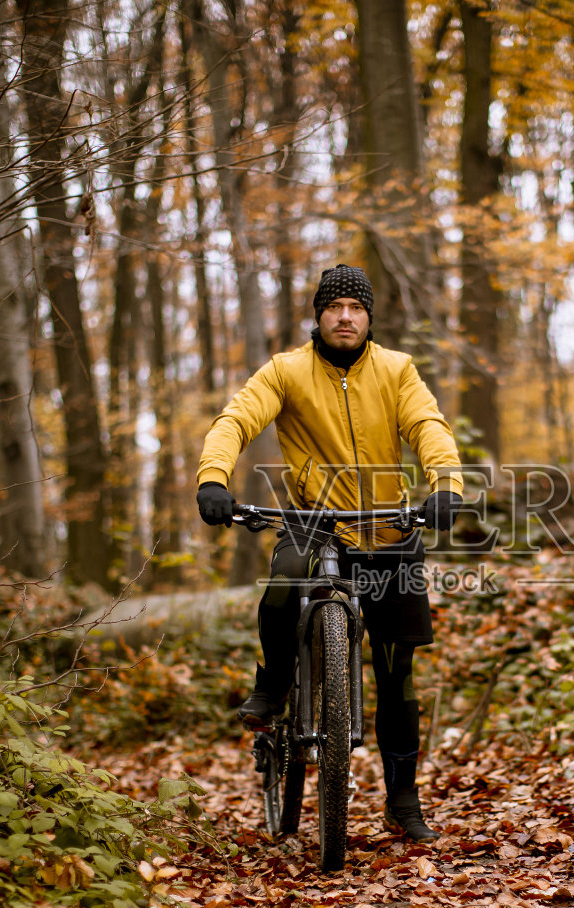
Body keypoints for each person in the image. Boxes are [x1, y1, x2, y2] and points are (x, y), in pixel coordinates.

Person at [194, 263, 463, 843]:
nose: (346, 316)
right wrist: (214, 477)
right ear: (318, 315)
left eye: (356, 308)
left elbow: (428, 426)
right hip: (314, 521)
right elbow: (235, 420)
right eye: (335, 306)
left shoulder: (397, 370)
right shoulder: (286, 371)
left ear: (369, 318)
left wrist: (445, 484)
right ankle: (273, 682)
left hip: (387, 528)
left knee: (397, 676)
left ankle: (402, 801)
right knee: (286, 575)